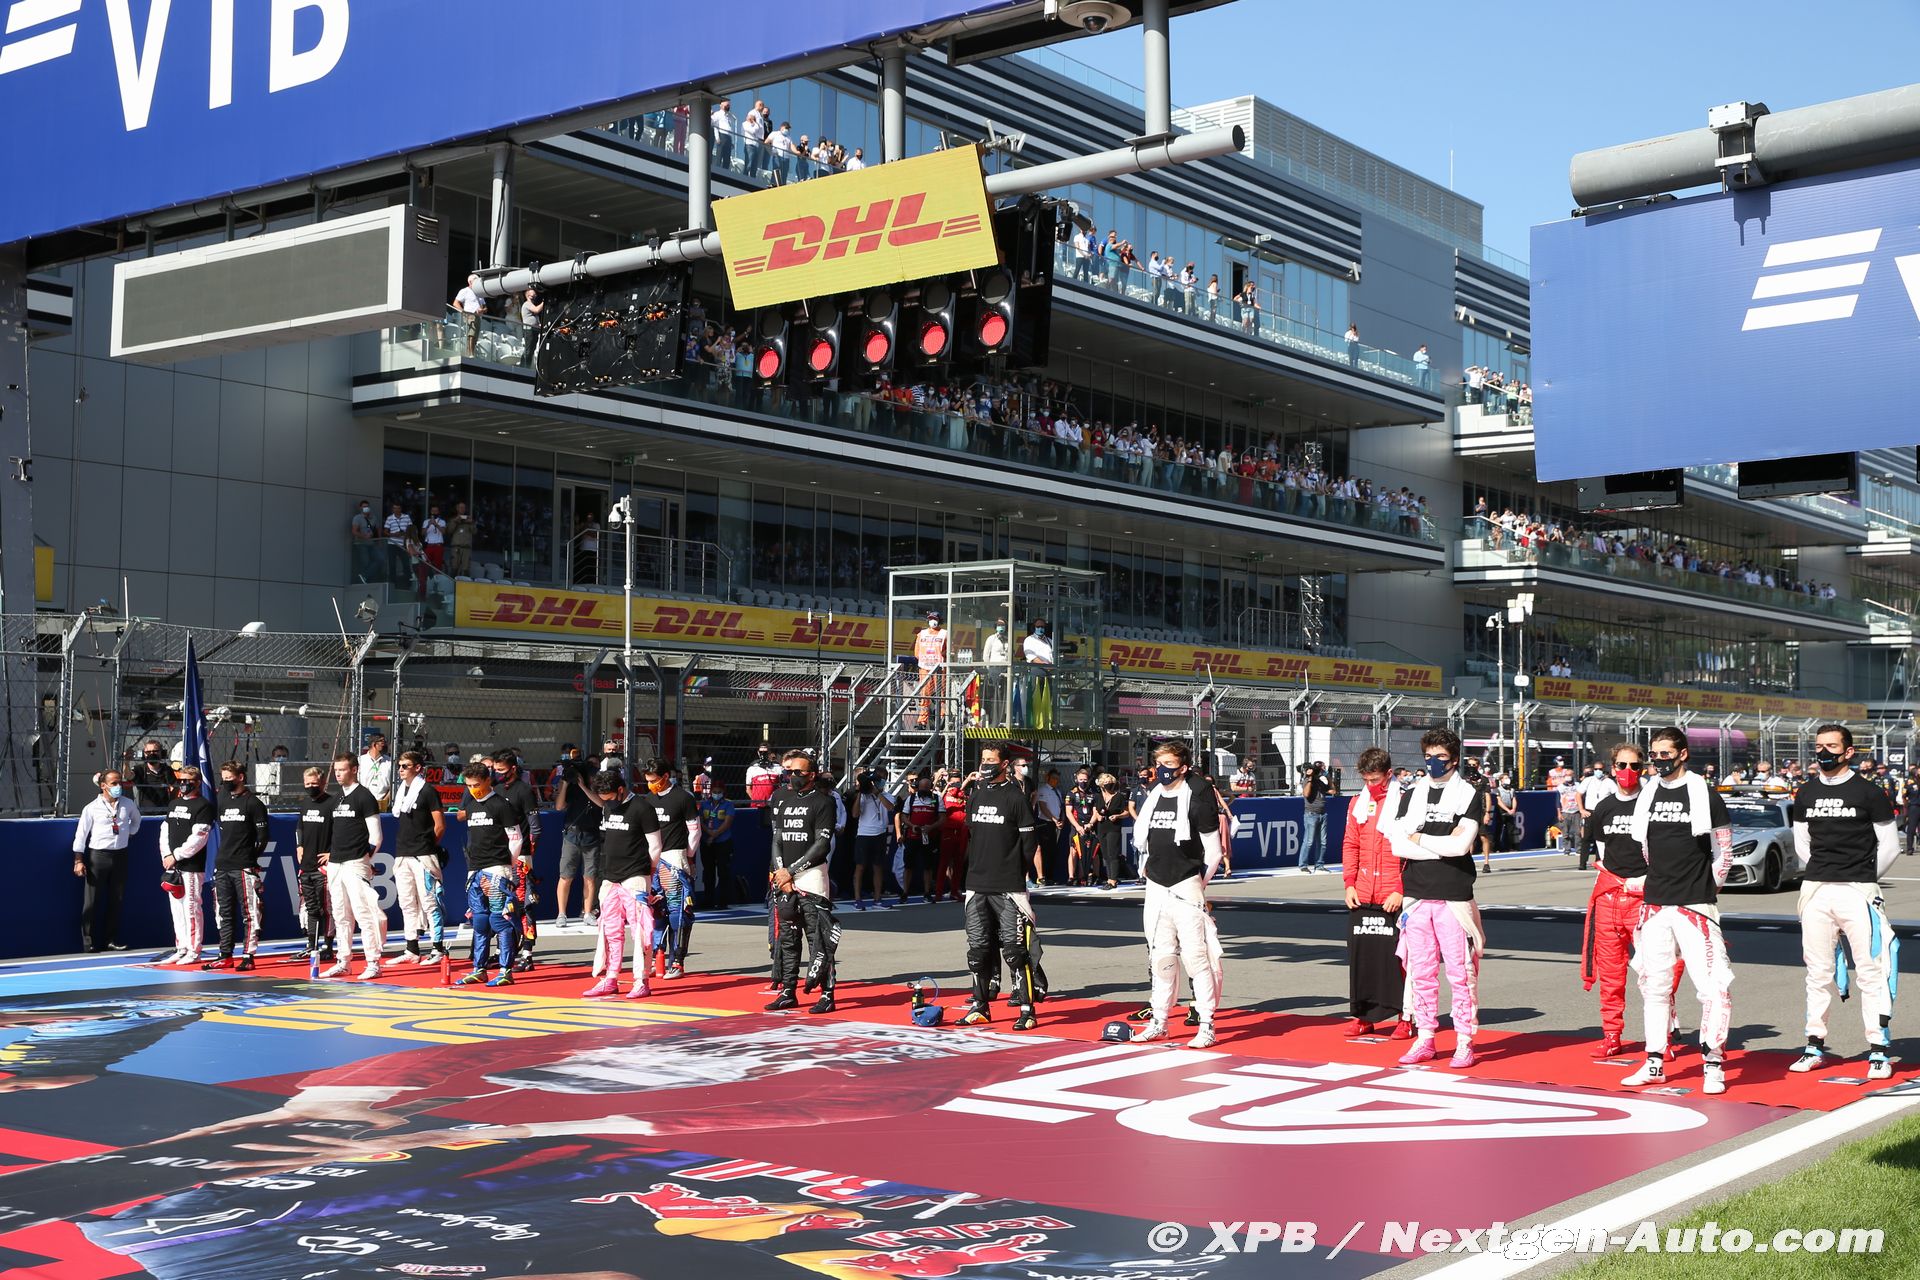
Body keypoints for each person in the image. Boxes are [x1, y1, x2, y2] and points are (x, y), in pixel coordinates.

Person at [1619, 726, 1735, 1095]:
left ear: (1683, 754)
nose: (1658, 761)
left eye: (1665, 754)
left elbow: (1724, 853)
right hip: (1655, 904)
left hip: (1696, 904)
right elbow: (1647, 849)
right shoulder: (1648, 793)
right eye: (1654, 755)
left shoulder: (1705, 793)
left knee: (1713, 987)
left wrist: (1705, 890)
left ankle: (1712, 1062)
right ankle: (1654, 1061)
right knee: (1653, 986)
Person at [1788, 724, 1900, 1081]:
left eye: (1832, 746)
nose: (1824, 752)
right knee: (1817, 972)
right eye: (1819, 745)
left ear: (1849, 752)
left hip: (1858, 891)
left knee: (1872, 970)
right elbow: (1802, 843)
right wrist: (1823, 873)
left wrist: (1862, 878)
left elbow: (1890, 846)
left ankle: (1878, 1048)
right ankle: (1814, 1045)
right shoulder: (1805, 792)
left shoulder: (1870, 792)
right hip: (1816, 890)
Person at [1380, 728, 1485, 1068]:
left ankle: (1464, 1041)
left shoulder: (1469, 794)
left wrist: (1419, 838)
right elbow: (1398, 844)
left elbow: (1461, 846)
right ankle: (1425, 1037)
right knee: (1420, 972)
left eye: (1440, 757)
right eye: (1428, 756)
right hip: (1416, 896)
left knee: (1461, 973)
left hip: (1453, 895)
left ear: (1454, 759)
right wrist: (1438, 844)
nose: (1434, 762)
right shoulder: (1412, 793)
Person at [1579, 741, 1677, 1059]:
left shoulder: (1653, 803)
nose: (1628, 771)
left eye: (1634, 766)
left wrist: (1647, 882)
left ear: (1643, 768)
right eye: (1622, 765)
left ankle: (1662, 1038)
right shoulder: (1603, 808)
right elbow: (1603, 854)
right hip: (1609, 897)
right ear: (1613, 768)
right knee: (1611, 975)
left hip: (1645, 897)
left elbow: (1662, 852)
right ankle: (1611, 1035)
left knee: (1655, 972)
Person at [1130, 740, 1224, 1048]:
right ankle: (1159, 1021)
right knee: (1160, 957)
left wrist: (1199, 883)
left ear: (1183, 767)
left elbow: (1214, 851)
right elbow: (1145, 841)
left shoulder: (1197, 796)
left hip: (1186, 884)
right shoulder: (1154, 794)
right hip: (1157, 885)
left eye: (1169, 764)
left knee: (1198, 958)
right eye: (1159, 764)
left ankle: (1206, 1024)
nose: (1162, 770)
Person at [959, 746, 1041, 1030]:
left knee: (1015, 952)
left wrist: (1018, 872)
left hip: (1008, 886)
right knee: (977, 951)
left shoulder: (1016, 797)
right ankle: (980, 1006)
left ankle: (1027, 1010)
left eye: (991, 761)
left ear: (1004, 764)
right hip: (976, 883)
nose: (985, 765)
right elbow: (973, 834)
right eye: (983, 760)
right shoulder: (977, 793)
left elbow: (1030, 844)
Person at [1341, 747, 1411, 1038]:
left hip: (1394, 893)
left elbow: (1412, 851)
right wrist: (1349, 883)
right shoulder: (1357, 803)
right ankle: (1364, 1016)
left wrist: (1400, 889)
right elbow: (1351, 844)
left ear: (1389, 774)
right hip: (1363, 892)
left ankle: (1407, 1017)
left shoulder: (1406, 801)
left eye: (1376, 779)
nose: (1370, 784)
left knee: (1401, 960)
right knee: (1364, 959)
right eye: (1366, 779)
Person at [765, 749, 841, 1013]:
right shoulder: (783, 800)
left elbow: (822, 844)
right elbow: (776, 839)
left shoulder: (824, 802)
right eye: (789, 772)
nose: (792, 776)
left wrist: (792, 871)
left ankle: (827, 994)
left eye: (798, 772)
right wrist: (780, 871)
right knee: (788, 937)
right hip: (785, 876)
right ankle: (788, 991)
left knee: (818, 936)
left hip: (812, 875)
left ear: (812, 774)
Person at [584, 769, 662, 998]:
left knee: (641, 931)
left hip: (635, 876)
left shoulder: (642, 808)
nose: (607, 802)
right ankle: (610, 978)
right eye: (604, 799)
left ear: (620, 789)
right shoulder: (608, 807)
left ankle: (641, 980)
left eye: (609, 797)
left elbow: (655, 845)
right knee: (609, 930)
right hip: (610, 877)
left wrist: (649, 871)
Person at [451, 763, 526, 986]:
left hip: (497, 869)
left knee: (500, 920)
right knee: (480, 921)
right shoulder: (471, 805)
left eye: (476, 785)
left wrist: (507, 866)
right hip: (475, 869)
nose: (473, 790)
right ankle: (479, 969)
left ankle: (505, 970)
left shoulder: (501, 805)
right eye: (469, 786)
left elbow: (516, 838)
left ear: (487, 780)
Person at [322, 753, 386, 980]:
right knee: (340, 914)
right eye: (336, 770)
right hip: (336, 864)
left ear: (354, 770)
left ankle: (373, 963)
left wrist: (364, 859)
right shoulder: (337, 798)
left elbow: (376, 837)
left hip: (356, 863)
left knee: (364, 913)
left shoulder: (365, 797)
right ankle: (343, 961)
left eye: (342, 769)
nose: (338, 774)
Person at [203, 762, 269, 972]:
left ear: (240, 777)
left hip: (244, 867)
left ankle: (248, 955)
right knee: (222, 912)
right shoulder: (222, 799)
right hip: (222, 864)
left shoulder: (254, 803)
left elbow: (263, 838)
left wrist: (250, 858)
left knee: (250, 912)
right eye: (223, 778)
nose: (225, 782)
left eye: (229, 778)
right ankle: (225, 955)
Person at [72, 770, 141, 952]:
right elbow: (81, 835)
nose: (118, 786)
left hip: (120, 856)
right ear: (103, 786)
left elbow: (136, 821)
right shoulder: (91, 808)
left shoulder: (128, 804)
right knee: (92, 901)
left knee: (116, 900)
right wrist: (78, 860)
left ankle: (110, 940)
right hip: (98, 857)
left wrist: (128, 834)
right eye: (114, 783)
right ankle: (89, 942)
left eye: (120, 783)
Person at [645, 757, 702, 978]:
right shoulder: (648, 799)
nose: (651, 784)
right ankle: (656, 956)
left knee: (679, 911)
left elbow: (695, 831)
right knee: (656, 910)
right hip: (653, 859)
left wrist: (689, 856)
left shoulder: (683, 798)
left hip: (675, 858)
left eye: (654, 780)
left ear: (666, 776)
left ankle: (677, 960)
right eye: (648, 780)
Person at [390, 749, 448, 965]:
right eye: (399, 766)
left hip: (423, 855)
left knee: (430, 902)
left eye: (405, 766)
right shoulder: (401, 792)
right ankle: (412, 949)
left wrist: (427, 846)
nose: (400, 770)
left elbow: (440, 825)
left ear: (417, 768)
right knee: (406, 902)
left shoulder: (427, 791)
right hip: (402, 854)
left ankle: (437, 948)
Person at [155, 765, 215, 966]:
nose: (182, 784)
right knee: (177, 909)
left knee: (191, 907)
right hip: (172, 865)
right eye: (180, 781)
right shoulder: (174, 804)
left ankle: (194, 950)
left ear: (197, 783)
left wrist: (177, 855)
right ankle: (181, 947)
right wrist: (167, 855)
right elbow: (164, 831)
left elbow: (199, 838)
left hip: (191, 865)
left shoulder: (203, 806)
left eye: (187, 781)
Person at [490, 749, 542, 971]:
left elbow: (535, 827)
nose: (497, 773)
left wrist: (526, 855)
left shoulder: (524, 790)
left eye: (501, 770)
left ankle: (527, 953)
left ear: (513, 768)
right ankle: (502, 950)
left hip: (520, 855)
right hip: (499, 855)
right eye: (495, 770)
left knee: (524, 904)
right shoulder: (495, 790)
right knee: (500, 904)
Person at [552, 748, 602, 927]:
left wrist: (583, 786)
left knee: (590, 876)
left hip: (591, 834)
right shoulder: (570, 787)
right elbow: (559, 806)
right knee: (566, 876)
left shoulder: (597, 786)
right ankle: (561, 913)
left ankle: (587, 912)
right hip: (572, 834)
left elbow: (601, 803)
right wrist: (566, 783)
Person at [293, 766, 333, 963]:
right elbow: (299, 827)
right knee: (311, 908)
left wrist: (332, 853)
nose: (310, 787)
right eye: (307, 783)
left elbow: (342, 831)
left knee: (327, 908)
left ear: (323, 783)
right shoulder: (305, 803)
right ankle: (312, 944)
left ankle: (328, 946)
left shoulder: (332, 803)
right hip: (306, 865)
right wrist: (299, 845)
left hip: (323, 867)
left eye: (314, 784)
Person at [849, 769, 895, 911]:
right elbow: (855, 814)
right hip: (864, 834)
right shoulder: (864, 796)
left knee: (878, 867)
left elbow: (890, 807)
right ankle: (857, 899)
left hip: (880, 834)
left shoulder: (888, 796)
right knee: (860, 867)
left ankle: (877, 899)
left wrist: (877, 793)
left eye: (883, 779)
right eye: (878, 778)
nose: (880, 781)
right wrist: (861, 792)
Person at [896, 770, 943, 903]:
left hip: (929, 837)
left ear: (930, 787)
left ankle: (927, 893)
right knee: (908, 866)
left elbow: (943, 818)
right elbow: (903, 816)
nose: (923, 790)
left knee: (928, 866)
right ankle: (905, 892)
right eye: (921, 788)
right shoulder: (911, 799)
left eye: (926, 788)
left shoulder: (936, 798)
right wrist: (912, 826)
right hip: (912, 837)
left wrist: (931, 827)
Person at [934, 769, 971, 901]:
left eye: (958, 783)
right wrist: (945, 785)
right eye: (953, 783)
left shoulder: (964, 795)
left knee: (959, 863)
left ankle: (955, 891)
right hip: (948, 831)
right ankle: (938, 892)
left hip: (962, 832)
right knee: (944, 863)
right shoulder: (944, 795)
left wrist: (967, 782)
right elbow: (936, 801)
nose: (956, 786)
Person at [912, 611, 948, 728]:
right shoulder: (921, 634)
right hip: (925, 668)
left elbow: (949, 651)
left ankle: (943, 717)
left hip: (939, 669)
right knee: (925, 695)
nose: (933, 621)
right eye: (931, 619)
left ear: (939, 621)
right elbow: (917, 653)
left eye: (935, 619)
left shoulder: (944, 634)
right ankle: (922, 721)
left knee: (941, 694)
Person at [1064, 765, 1099, 887]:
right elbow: (1068, 812)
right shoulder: (1071, 793)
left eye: (1085, 780)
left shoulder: (1093, 794)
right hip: (1076, 826)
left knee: (1094, 852)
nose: (1083, 782)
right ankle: (1071, 876)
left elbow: (1096, 811)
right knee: (1073, 851)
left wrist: (1090, 824)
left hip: (1090, 826)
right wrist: (1077, 826)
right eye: (1081, 780)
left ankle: (1095, 875)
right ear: (1076, 779)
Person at [1575, 760, 1611, 871]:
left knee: (1600, 839)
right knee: (1586, 838)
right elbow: (1578, 794)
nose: (1598, 771)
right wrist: (1581, 810)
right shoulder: (1588, 780)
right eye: (1596, 769)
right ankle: (1582, 863)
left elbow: (1616, 795)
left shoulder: (1608, 782)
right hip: (1589, 812)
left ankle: (1599, 861)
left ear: (1603, 770)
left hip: (1603, 813)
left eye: (1600, 769)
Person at [1300, 762, 1330, 870]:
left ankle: (1319, 865)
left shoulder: (1320, 782)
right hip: (1311, 814)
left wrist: (1328, 776)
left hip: (1322, 814)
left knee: (1323, 842)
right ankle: (1303, 865)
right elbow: (1306, 794)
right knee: (1309, 841)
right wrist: (1310, 778)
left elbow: (1332, 790)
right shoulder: (1307, 781)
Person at [130, 738, 174, 809]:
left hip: (164, 810)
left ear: (162, 753)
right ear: (144, 754)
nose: (151, 754)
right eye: (148, 752)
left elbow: (174, 787)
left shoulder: (167, 769)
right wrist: (126, 762)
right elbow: (128, 776)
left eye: (155, 751)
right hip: (144, 811)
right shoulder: (140, 769)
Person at [357, 733, 393, 808]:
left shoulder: (390, 762)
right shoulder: (360, 761)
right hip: (363, 803)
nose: (385, 745)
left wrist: (384, 800)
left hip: (383, 804)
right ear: (374, 744)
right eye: (382, 742)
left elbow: (394, 784)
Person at [445, 501, 475, 578]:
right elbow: (449, 531)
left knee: (466, 570)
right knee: (454, 568)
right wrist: (455, 521)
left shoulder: (469, 519)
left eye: (464, 508)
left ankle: (465, 584)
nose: (462, 509)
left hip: (466, 548)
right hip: (456, 547)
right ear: (457, 508)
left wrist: (471, 523)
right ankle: (453, 584)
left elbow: (474, 532)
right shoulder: (452, 519)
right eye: (461, 507)